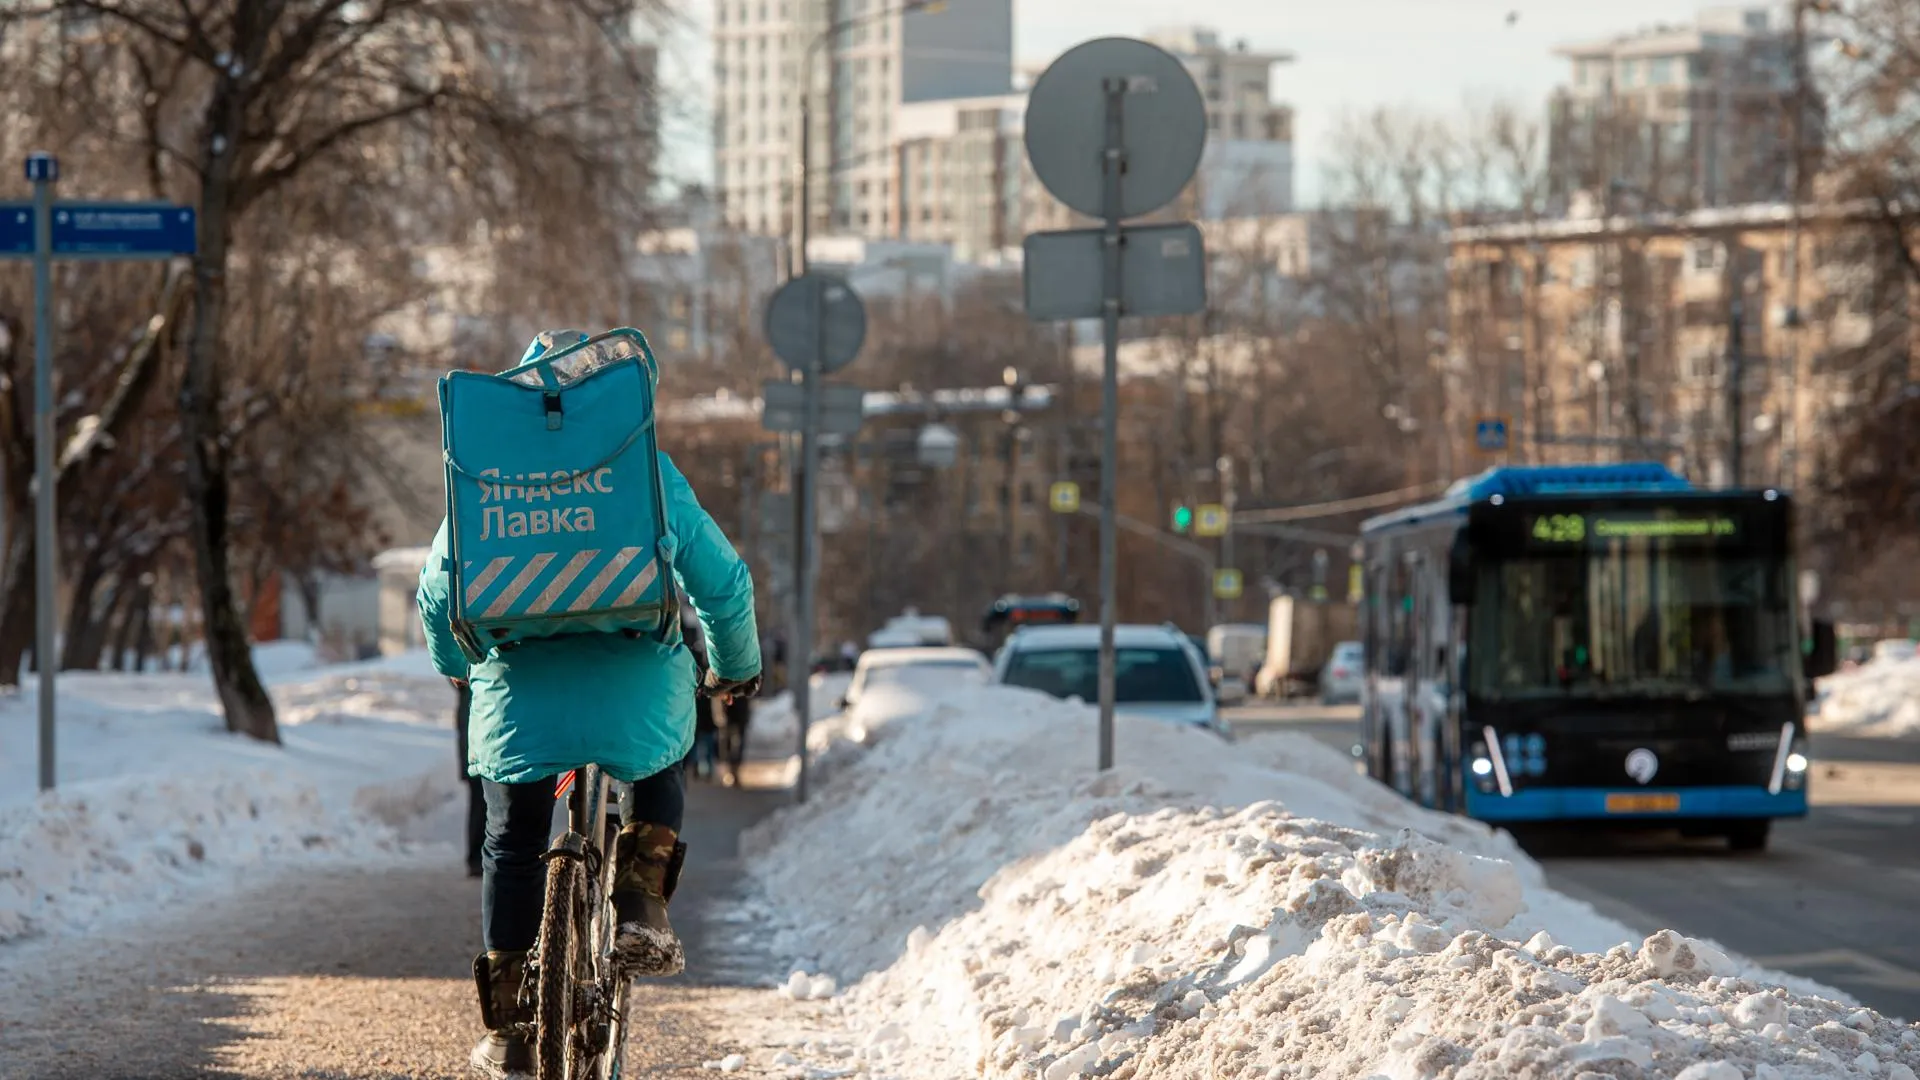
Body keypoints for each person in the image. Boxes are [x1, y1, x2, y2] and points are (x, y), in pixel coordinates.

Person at [418, 329, 761, 1080]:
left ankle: (510, 1027)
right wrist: (735, 670)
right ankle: (639, 899)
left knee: (511, 844)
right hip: (633, 688)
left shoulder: (486, 474)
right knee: (661, 745)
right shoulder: (645, 473)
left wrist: (459, 666)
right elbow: (724, 583)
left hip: (522, 696)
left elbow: (439, 592)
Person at [454, 679, 484, 877]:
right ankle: (477, 858)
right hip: (478, 734)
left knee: (480, 803)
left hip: (475, 735)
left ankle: (477, 858)